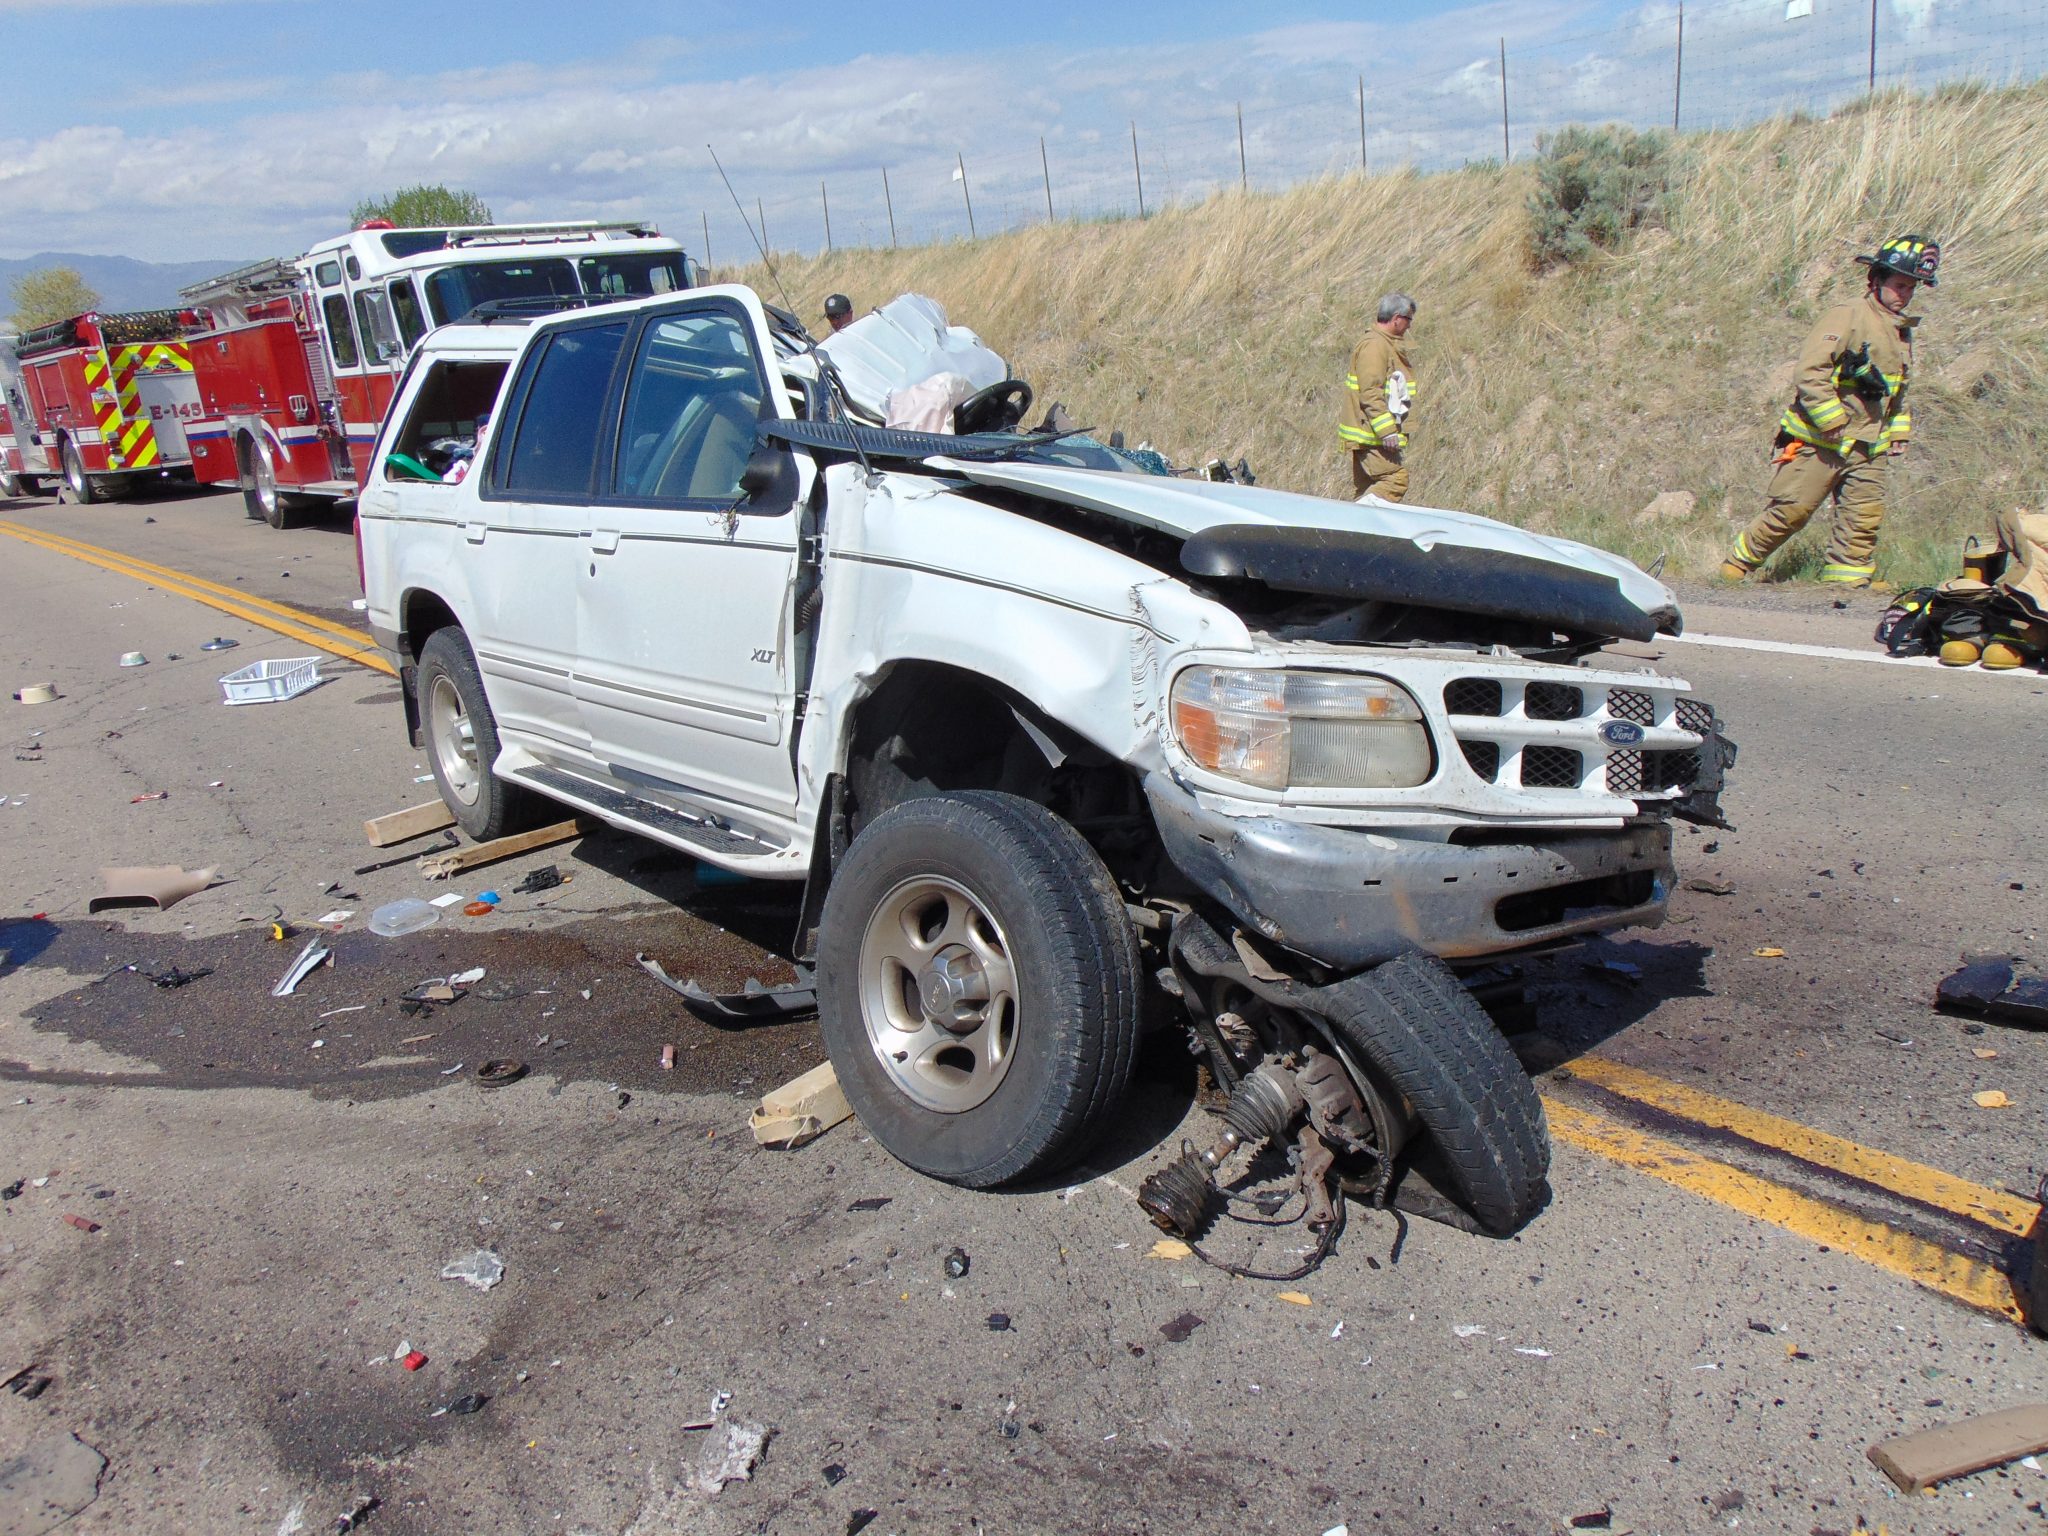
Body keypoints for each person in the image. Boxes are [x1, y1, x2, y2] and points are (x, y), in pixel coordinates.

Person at [1722, 235, 1940, 587]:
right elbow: (1811, 371)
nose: (1906, 294)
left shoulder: (1900, 330)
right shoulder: (1847, 316)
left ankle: (1847, 582)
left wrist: (1898, 432)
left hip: (1869, 445)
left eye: (1912, 288)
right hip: (1820, 441)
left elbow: (1897, 389)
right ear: (1877, 280)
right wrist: (1832, 419)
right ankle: (1737, 564)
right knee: (1792, 510)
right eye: (1900, 285)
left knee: (1862, 517)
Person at [1339, 293, 1417, 502]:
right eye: (1409, 319)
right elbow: (1371, 392)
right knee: (1395, 480)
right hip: (1372, 435)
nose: (1409, 326)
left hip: (1370, 434)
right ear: (1397, 318)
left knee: (1366, 489)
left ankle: (1354, 529)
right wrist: (1387, 431)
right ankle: (1356, 522)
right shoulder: (1375, 346)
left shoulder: (1383, 344)